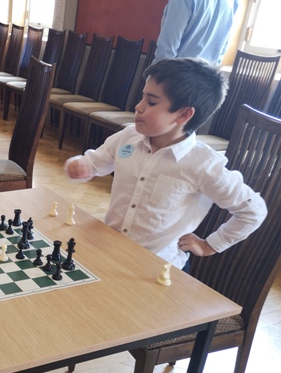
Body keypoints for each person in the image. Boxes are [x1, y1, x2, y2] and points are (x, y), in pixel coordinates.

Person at [64, 57, 267, 271]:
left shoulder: (204, 164)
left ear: (184, 114)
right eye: (142, 97)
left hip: (159, 267)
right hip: (112, 249)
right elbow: (95, 162)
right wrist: (80, 165)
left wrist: (210, 245)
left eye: (151, 102)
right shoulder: (128, 137)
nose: (138, 106)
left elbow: (253, 210)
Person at [153, 0, 239, 65]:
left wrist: (156, 77)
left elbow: (167, 48)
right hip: (206, 78)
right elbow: (223, 48)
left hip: (177, 77)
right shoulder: (233, 2)